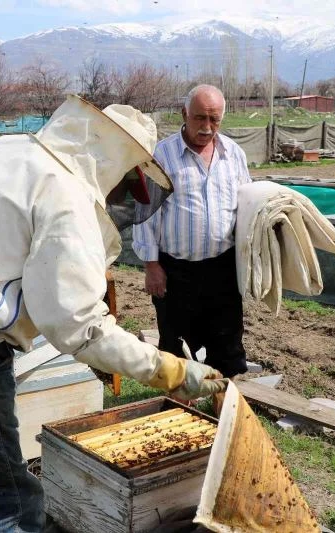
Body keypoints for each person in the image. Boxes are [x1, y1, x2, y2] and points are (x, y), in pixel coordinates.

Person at [0, 95, 227, 533]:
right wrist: (170, 370)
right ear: (113, 162)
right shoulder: (67, 197)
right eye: (127, 185)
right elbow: (81, 328)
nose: (121, 198)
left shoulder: (14, 148)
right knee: (8, 495)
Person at [132, 84, 252, 378]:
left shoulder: (233, 155)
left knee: (227, 345)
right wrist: (151, 266)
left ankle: (223, 409)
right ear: (184, 113)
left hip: (223, 268)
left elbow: (248, 206)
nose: (207, 127)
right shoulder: (162, 155)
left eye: (215, 120)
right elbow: (146, 215)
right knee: (177, 348)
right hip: (176, 273)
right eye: (200, 118)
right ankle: (179, 410)